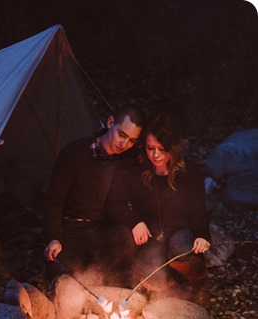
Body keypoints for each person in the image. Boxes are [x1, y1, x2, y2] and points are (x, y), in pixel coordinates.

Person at [105, 111, 211, 303]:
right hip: (152, 237)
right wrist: (134, 221)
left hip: (180, 233)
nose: (155, 155)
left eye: (162, 149)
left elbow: (199, 211)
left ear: (174, 147)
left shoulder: (190, 173)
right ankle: (171, 283)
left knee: (181, 249)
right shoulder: (135, 170)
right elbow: (114, 203)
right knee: (149, 274)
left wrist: (202, 234)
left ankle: (199, 285)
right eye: (150, 148)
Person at [43, 104, 145, 284]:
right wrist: (54, 237)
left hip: (104, 227)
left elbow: (121, 203)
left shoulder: (127, 160)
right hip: (73, 227)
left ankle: (110, 282)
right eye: (122, 134)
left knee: (126, 241)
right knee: (58, 272)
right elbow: (53, 201)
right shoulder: (74, 153)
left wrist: (135, 222)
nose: (124, 144)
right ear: (110, 122)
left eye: (131, 141)